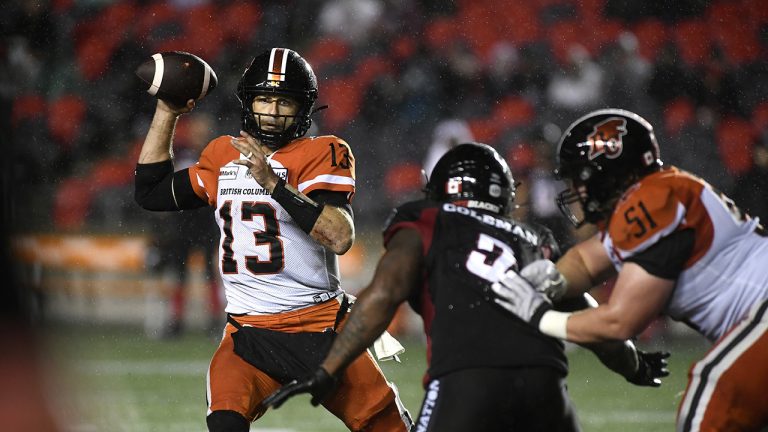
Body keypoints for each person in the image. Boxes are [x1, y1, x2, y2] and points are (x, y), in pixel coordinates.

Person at [263, 142, 669, 431]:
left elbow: (385, 293)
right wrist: (635, 365)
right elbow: (587, 313)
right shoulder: (530, 240)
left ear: (438, 190)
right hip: (546, 389)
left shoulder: (428, 220)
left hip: (467, 382)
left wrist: (329, 368)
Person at [134, 47, 412, 431]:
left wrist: (273, 184)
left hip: (321, 329)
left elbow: (339, 236)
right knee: (224, 424)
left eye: (285, 102)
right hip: (248, 334)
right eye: (265, 99)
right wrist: (167, 113)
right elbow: (150, 192)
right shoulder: (222, 154)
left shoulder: (323, 151)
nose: (273, 111)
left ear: (305, 108)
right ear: (249, 102)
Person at [491, 109, 768, 432]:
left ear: (607, 172)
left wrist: (540, 317)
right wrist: (549, 279)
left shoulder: (652, 201)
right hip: (756, 317)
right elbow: (585, 262)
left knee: (712, 398)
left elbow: (619, 322)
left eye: (579, 178)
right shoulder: (654, 195)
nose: (576, 190)